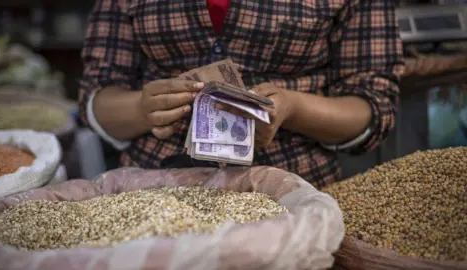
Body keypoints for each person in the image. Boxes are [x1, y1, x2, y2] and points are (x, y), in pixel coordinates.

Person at [78, 0, 404, 188]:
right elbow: (97, 97)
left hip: (292, 193)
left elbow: (374, 105)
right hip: (152, 193)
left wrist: (292, 108)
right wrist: (141, 108)